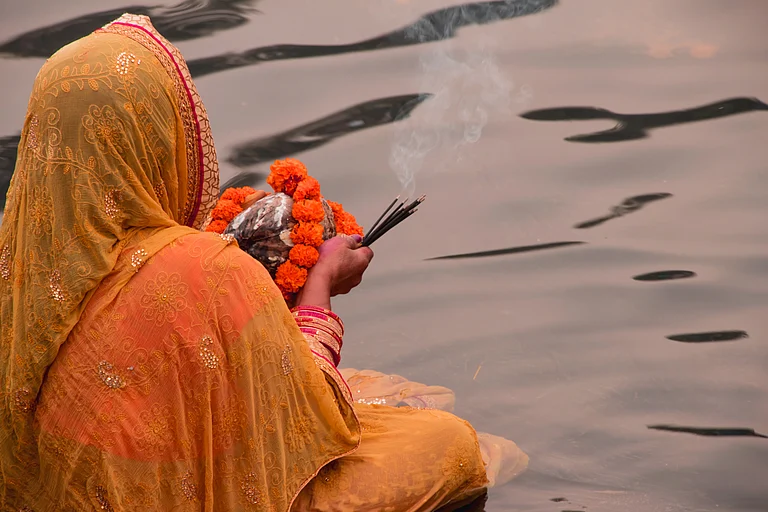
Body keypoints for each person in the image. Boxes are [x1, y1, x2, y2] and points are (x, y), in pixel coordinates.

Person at [0, 14, 527, 511]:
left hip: (62, 481)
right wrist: (319, 282)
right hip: (175, 487)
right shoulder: (201, 267)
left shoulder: (21, 264)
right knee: (451, 444)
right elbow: (308, 413)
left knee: (404, 394)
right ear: (159, 138)